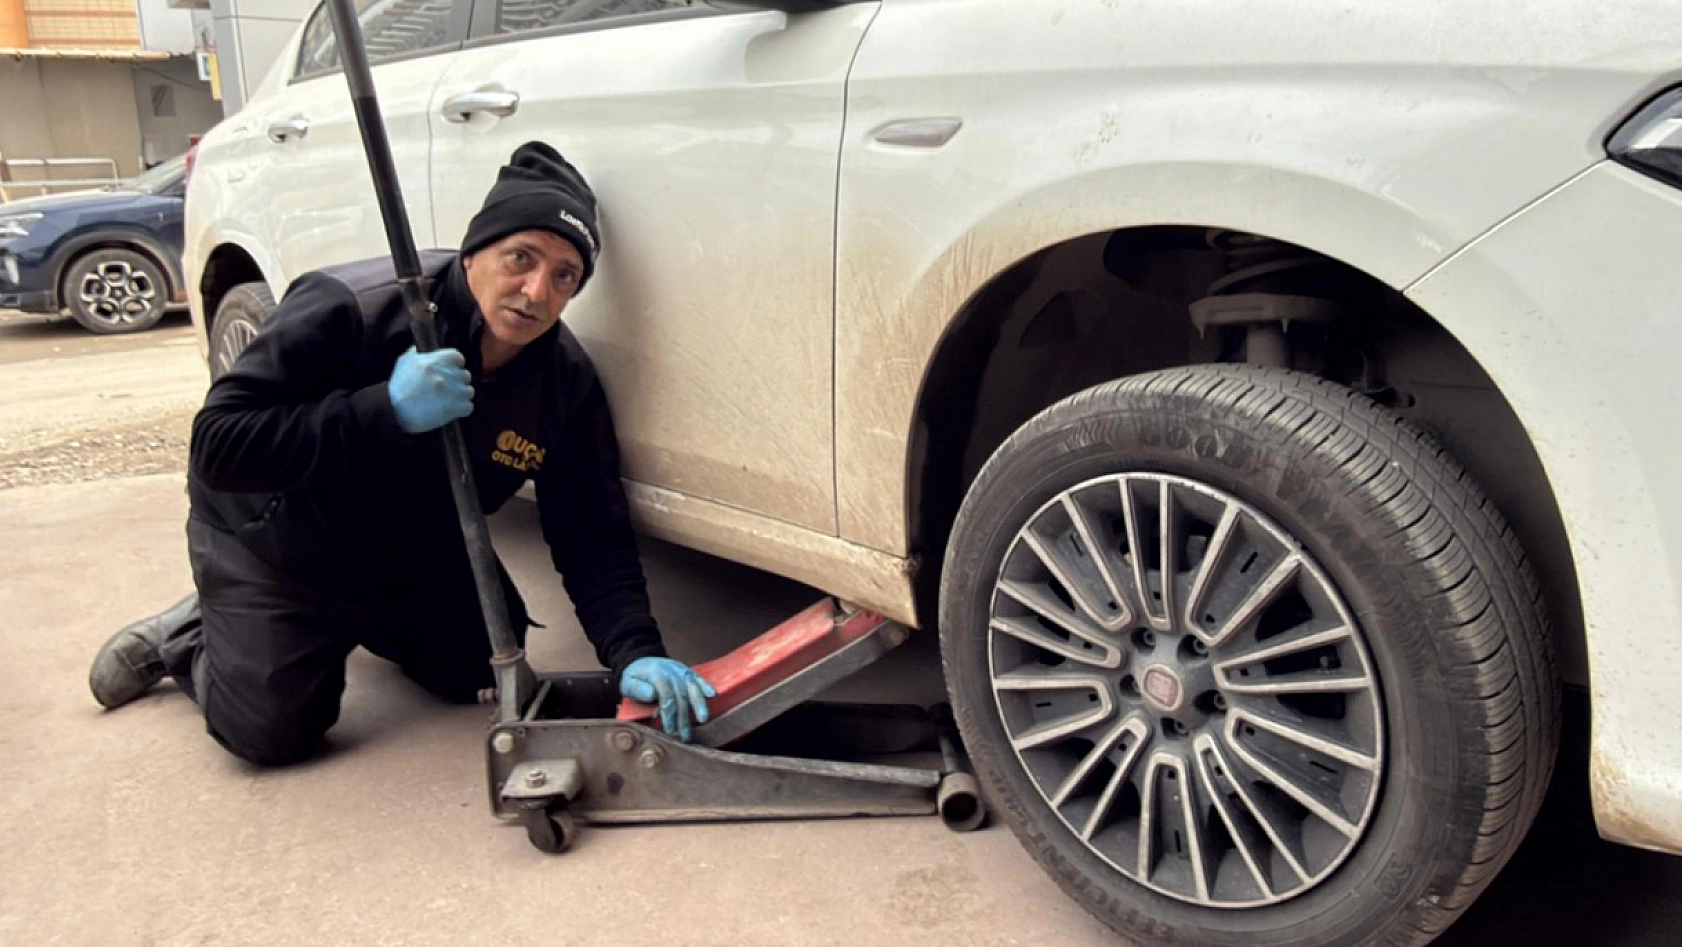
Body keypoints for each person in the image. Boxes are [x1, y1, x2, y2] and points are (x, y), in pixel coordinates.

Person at [87, 141, 715, 764]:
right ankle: (194, 633)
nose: (535, 290)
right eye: (519, 258)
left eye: (563, 276)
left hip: (409, 546)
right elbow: (219, 446)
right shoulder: (350, 306)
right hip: (282, 538)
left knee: (479, 662)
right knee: (273, 732)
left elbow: (589, 525)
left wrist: (633, 649)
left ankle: (335, 626)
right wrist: (381, 411)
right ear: (473, 256)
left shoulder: (563, 382)